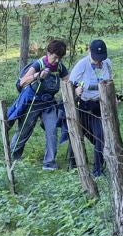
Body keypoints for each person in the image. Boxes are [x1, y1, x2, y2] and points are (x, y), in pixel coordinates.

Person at [11, 39, 69, 170]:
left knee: (52, 130)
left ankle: (49, 163)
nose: (57, 61)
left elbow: (68, 81)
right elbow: (22, 82)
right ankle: (13, 157)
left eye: (60, 58)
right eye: (55, 57)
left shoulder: (60, 67)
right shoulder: (38, 64)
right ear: (48, 53)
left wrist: (75, 89)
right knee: (24, 131)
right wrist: (38, 75)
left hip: (48, 104)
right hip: (33, 102)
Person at [69, 39, 113, 177]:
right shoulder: (82, 65)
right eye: (97, 58)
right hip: (84, 105)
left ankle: (98, 170)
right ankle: (74, 164)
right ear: (90, 52)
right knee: (77, 134)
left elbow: (109, 82)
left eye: (101, 58)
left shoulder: (107, 64)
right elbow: (70, 84)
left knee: (100, 136)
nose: (99, 61)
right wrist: (76, 90)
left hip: (99, 105)